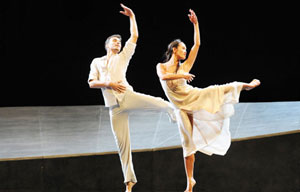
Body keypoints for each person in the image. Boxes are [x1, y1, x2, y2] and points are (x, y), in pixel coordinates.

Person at [156, 9, 261, 192]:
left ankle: (246, 86)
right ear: (174, 49)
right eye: (183, 48)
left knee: (216, 90)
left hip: (193, 96)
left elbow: (197, 45)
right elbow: (164, 78)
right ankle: (190, 181)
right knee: (187, 143)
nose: (185, 51)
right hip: (181, 108)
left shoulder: (185, 65)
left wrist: (195, 24)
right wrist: (182, 74)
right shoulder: (162, 67)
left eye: (185, 49)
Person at [88, 4, 175, 192]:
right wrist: (108, 84)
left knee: (157, 102)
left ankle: (174, 112)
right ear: (107, 45)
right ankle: (130, 183)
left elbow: (134, 36)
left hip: (127, 96)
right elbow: (91, 83)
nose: (117, 43)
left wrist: (132, 16)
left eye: (119, 42)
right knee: (123, 146)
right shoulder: (97, 62)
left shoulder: (123, 56)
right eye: (114, 41)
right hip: (114, 107)